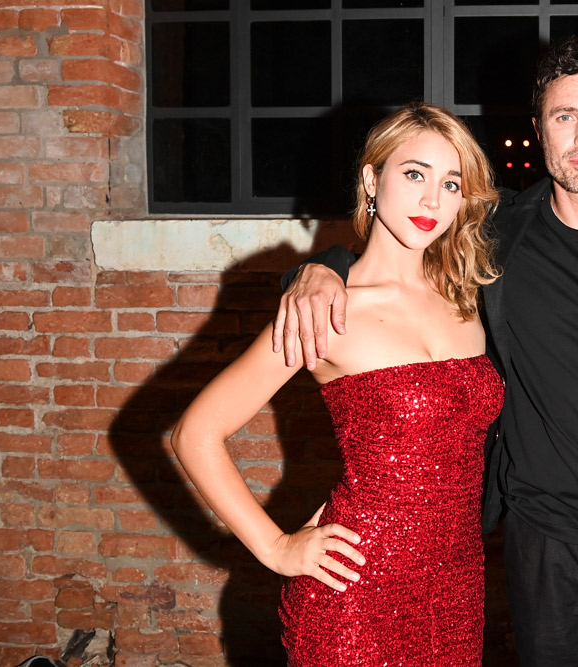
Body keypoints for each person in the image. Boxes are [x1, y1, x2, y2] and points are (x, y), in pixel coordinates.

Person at [277, 36, 578, 666]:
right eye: (565, 117)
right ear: (538, 129)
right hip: (542, 546)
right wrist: (320, 268)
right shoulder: (495, 238)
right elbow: (401, 258)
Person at [171, 102, 504, 665]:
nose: (432, 200)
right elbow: (195, 434)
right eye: (414, 174)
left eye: (451, 184)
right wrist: (277, 547)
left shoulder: (469, 298)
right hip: (357, 592)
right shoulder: (325, 308)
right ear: (372, 178)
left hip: (456, 586)